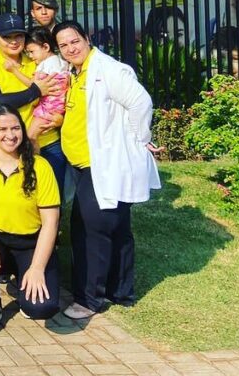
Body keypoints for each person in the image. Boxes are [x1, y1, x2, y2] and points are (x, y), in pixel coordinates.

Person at [54, 21, 161, 320]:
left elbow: (141, 102)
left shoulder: (108, 69)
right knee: (116, 227)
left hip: (102, 165)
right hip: (83, 166)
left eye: (75, 41)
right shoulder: (75, 72)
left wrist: (140, 138)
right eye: (64, 45)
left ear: (87, 39)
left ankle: (89, 300)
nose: (71, 48)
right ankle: (121, 292)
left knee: (91, 230)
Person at [0, 105, 61, 333]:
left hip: (31, 244)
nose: (10, 135)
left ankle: (24, 280)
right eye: (2, 129)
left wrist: (37, 268)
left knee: (41, 308)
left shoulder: (40, 166)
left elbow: (50, 223)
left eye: (16, 128)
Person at [0, 15, 64, 193]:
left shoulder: (37, 58)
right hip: (9, 146)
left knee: (52, 200)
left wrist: (61, 119)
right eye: (7, 37)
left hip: (48, 143)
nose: (14, 41)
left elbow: (62, 92)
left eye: (19, 36)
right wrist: (35, 91)